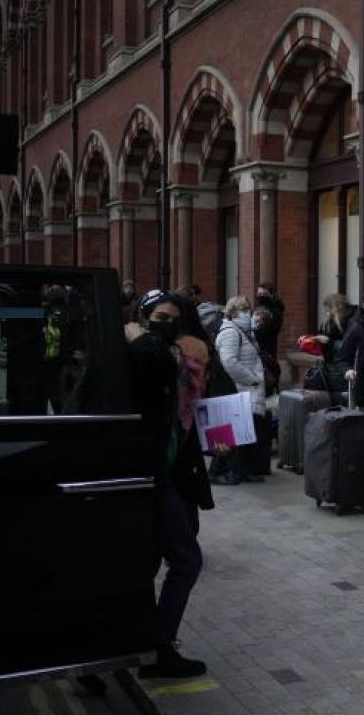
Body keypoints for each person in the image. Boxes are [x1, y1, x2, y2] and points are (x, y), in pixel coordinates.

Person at [125, 290, 214, 678]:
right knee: (177, 559)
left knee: (172, 560)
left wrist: (218, 443)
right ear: (143, 319)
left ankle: (150, 645)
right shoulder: (144, 357)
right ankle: (150, 645)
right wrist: (140, 337)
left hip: (170, 476)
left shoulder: (183, 365)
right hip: (141, 476)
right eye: (160, 316)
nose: (168, 325)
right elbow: (151, 363)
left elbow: (194, 420)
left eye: (174, 318)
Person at [214, 296, 269, 483]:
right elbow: (228, 362)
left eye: (248, 310)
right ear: (232, 312)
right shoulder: (231, 332)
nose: (247, 314)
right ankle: (224, 470)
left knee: (245, 431)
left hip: (248, 388)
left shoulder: (245, 332)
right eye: (242, 310)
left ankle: (242, 469)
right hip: (241, 387)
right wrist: (252, 379)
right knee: (234, 432)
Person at [318, 292, 355, 363]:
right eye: (326, 311)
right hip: (333, 364)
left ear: (338, 307)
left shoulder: (353, 321)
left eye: (329, 310)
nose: (328, 314)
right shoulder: (327, 324)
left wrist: (329, 341)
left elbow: (350, 346)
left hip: (347, 366)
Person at [255, 282, 285, 358]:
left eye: (263, 293)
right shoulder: (259, 307)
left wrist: (255, 331)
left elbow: (272, 328)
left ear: (271, 295)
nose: (260, 296)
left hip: (267, 346)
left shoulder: (275, 309)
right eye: (259, 293)